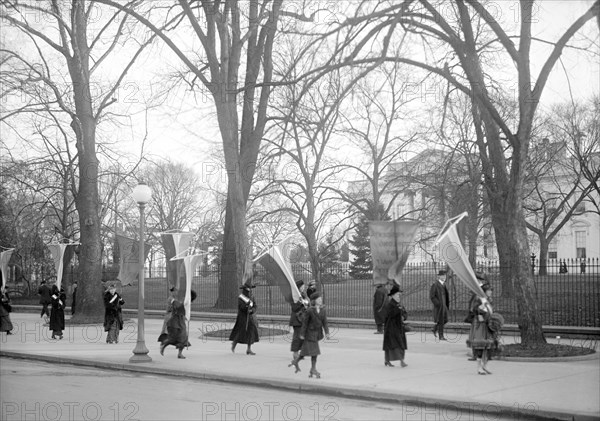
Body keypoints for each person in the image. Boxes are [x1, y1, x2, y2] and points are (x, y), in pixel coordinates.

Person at [295, 292, 330, 378]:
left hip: (317, 334)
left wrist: (327, 333)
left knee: (306, 352)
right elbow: (305, 323)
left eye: (321, 299)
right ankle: (313, 369)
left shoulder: (323, 310)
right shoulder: (310, 310)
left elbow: (325, 322)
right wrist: (302, 334)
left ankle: (297, 362)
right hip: (309, 334)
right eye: (318, 299)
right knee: (314, 352)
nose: (320, 300)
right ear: (314, 301)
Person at [160, 290, 198, 359]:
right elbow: (177, 307)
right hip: (173, 322)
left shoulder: (186, 301)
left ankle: (180, 354)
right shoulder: (174, 300)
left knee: (183, 338)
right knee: (173, 338)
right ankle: (164, 345)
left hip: (181, 322)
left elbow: (185, 311)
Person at [468, 282, 495, 375]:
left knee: (489, 347)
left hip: (488, 324)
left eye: (491, 290)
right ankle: (479, 368)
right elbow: (473, 309)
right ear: (484, 291)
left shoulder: (489, 300)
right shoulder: (479, 299)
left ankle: (485, 365)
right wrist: (479, 310)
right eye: (488, 290)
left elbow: (491, 311)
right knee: (480, 345)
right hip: (480, 325)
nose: (490, 292)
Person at [229, 273, 259, 355]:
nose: (249, 291)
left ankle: (249, 349)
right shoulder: (241, 297)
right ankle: (234, 344)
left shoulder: (252, 297)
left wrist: (252, 310)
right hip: (242, 317)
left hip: (250, 317)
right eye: (248, 289)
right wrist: (246, 307)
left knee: (251, 331)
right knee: (240, 332)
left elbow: (255, 306)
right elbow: (241, 307)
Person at [383, 284, 408, 367]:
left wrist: (403, 317)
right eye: (397, 295)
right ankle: (401, 361)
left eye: (399, 295)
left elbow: (405, 313)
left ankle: (387, 360)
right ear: (393, 295)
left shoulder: (399, 304)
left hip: (399, 327)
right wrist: (398, 310)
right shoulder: (389, 305)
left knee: (397, 344)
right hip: (391, 328)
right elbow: (389, 315)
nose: (399, 296)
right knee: (395, 344)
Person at [288, 280, 309, 371]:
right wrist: (301, 303)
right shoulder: (294, 296)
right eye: (302, 286)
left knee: (302, 337)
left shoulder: (303, 295)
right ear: (299, 287)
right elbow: (294, 308)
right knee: (297, 337)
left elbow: (307, 305)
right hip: (297, 320)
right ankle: (295, 354)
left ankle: (299, 352)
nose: (303, 288)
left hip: (303, 319)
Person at [429, 269, 450, 340]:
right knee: (441, 321)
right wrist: (438, 304)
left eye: (445, 275)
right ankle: (441, 336)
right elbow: (432, 296)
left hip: (444, 306)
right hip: (439, 307)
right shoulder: (435, 285)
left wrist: (446, 305)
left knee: (446, 320)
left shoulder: (444, 285)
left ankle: (435, 328)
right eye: (442, 275)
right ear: (439, 276)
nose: (444, 277)